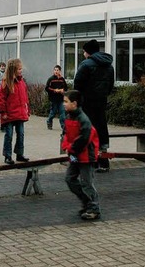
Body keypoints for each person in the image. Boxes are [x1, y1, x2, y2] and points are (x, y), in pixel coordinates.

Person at [73, 39, 114, 172]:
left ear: (88, 52)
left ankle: (91, 160)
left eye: (84, 51)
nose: (83, 53)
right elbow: (110, 85)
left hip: (87, 102)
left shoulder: (85, 65)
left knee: (88, 128)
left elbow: (77, 84)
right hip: (101, 101)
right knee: (101, 127)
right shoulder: (109, 65)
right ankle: (104, 160)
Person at [62, 89, 101, 220]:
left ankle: (93, 208)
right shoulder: (68, 116)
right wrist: (68, 147)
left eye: (66, 102)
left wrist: (72, 149)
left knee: (87, 183)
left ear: (74, 103)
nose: (64, 104)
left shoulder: (84, 119)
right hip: (75, 154)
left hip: (85, 156)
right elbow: (66, 134)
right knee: (70, 179)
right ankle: (87, 202)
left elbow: (84, 138)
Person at [0, 58, 30, 165]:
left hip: (20, 113)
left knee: (21, 134)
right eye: (19, 69)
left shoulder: (21, 82)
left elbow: (25, 97)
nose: (21, 70)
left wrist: (26, 109)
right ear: (13, 70)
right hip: (9, 114)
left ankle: (19, 153)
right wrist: (3, 112)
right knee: (9, 135)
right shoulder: (6, 82)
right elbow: (1, 99)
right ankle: (7, 155)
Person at [45, 65, 68, 131]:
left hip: (61, 99)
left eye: (57, 70)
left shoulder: (62, 79)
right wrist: (54, 90)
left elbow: (66, 88)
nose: (56, 71)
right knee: (53, 112)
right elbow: (47, 88)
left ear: (60, 71)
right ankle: (49, 121)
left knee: (62, 112)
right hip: (53, 99)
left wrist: (62, 90)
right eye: (55, 70)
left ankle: (63, 126)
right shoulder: (51, 79)